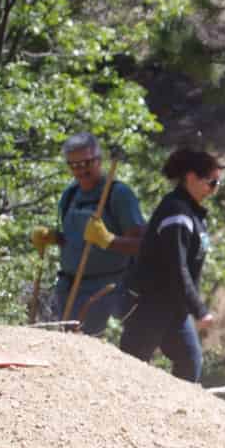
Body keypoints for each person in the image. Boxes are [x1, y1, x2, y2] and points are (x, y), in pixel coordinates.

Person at [120, 147, 220, 382]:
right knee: (128, 369)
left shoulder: (189, 212)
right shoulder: (177, 213)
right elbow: (177, 268)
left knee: (190, 361)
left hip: (175, 310)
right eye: (212, 183)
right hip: (151, 307)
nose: (214, 190)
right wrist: (200, 309)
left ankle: (176, 417)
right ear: (191, 178)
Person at [30, 133, 145, 335]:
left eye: (86, 163)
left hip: (104, 293)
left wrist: (109, 241)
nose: (81, 170)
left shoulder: (118, 194)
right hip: (68, 290)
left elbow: (142, 244)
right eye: (74, 165)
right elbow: (72, 239)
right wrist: (54, 238)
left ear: (99, 160)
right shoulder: (70, 195)